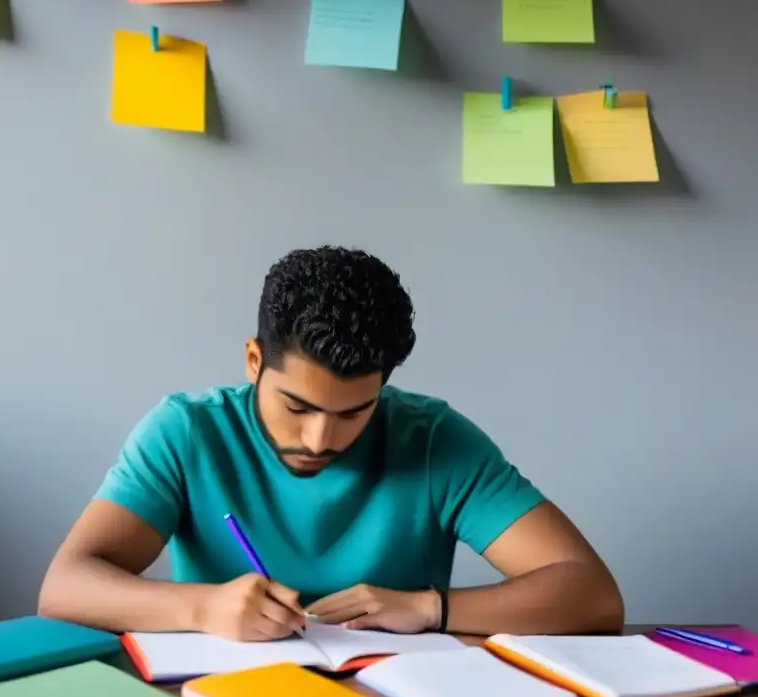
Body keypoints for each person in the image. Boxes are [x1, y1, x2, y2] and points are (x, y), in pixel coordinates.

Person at [39, 246, 624, 642]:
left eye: (355, 411)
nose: (321, 438)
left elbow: (592, 595)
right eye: (297, 406)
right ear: (253, 361)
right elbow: (65, 586)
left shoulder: (434, 440)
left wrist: (429, 608)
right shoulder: (186, 431)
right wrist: (200, 607)